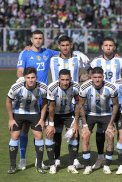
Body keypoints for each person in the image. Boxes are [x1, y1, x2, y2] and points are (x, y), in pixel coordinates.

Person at [16, 30, 59, 170]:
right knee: (24, 129)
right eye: (36, 38)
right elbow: (19, 72)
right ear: (31, 39)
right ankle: (22, 159)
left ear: (43, 39)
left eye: (40, 38)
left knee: (39, 129)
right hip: (28, 97)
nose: (38, 40)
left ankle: (38, 160)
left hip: (42, 98)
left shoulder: (48, 52)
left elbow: (64, 53)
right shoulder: (25, 53)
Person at [49, 35, 89, 169]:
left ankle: (75, 159)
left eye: (67, 45)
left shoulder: (78, 58)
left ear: (71, 45)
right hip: (58, 99)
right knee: (57, 132)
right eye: (62, 45)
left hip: (74, 98)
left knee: (74, 132)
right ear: (59, 47)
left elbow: (93, 68)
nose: (65, 48)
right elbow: (39, 52)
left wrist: (84, 77)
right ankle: (57, 159)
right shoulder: (52, 59)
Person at [89, 37, 122, 170]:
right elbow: (90, 76)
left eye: (111, 45)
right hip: (101, 102)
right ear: (102, 47)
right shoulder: (96, 61)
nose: (108, 48)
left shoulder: (120, 61)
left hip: (118, 101)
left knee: (119, 129)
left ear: (114, 47)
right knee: (100, 130)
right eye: (106, 45)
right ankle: (100, 157)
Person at [73, 67, 119, 175]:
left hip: (106, 114)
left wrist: (111, 123)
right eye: (95, 77)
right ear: (91, 77)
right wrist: (84, 124)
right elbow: (81, 105)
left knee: (110, 135)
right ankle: (88, 166)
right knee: (85, 135)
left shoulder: (111, 87)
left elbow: (116, 105)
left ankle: (106, 165)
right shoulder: (85, 87)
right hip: (90, 114)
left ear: (103, 77)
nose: (97, 80)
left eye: (99, 77)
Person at [6, 67, 48, 174]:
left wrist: (42, 119)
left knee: (38, 136)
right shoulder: (16, 87)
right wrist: (11, 119)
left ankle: (39, 165)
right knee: (15, 136)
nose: (30, 80)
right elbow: (8, 101)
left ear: (36, 77)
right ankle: (13, 166)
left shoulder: (42, 87)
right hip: (19, 113)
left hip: (34, 113)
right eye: (28, 77)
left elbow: (45, 102)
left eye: (33, 77)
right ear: (24, 78)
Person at [45, 69, 80, 174]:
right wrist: (51, 124)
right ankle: (52, 164)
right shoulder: (52, 88)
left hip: (68, 113)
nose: (65, 82)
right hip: (54, 114)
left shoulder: (76, 87)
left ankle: (70, 164)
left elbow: (78, 104)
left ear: (71, 79)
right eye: (63, 80)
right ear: (58, 79)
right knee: (50, 134)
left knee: (74, 134)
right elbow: (51, 107)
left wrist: (76, 122)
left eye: (67, 80)